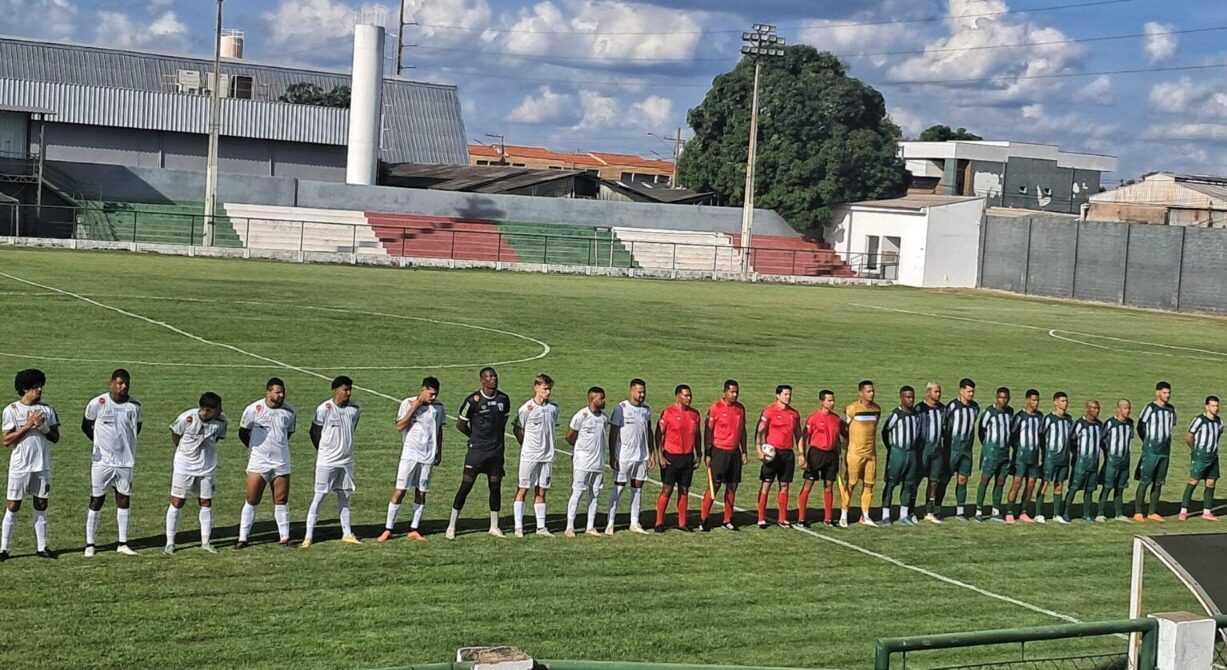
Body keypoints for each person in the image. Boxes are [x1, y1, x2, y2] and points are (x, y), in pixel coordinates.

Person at [83, 369, 143, 557]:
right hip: (102, 462)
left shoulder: (134, 406)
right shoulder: (97, 403)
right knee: (97, 499)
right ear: (111, 383)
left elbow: (136, 428)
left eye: (126, 383)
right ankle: (90, 544)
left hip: (125, 461)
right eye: (119, 383)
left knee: (124, 498)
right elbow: (86, 425)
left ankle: (122, 543)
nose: (123, 386)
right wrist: (99, 444)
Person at [1, 369, 60, 560]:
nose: (40, 390)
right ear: (25, 389)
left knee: (41, 503)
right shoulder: (11, 410)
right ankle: (3, 548)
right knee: (14, 505)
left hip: (41, 465)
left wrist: (42, 427)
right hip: (20, 466)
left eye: (41, 386)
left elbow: (55, 437)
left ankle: (42, 546)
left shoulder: (47, 410)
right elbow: (7, 440)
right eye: (36, 387)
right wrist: (27, 426)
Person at [447, 367, 511, 540]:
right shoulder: (472, 401)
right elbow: (461, 424)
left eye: (495, 376)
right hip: (477, 452)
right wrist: (474, 437)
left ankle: (494, 526)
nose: (493, 379)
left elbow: (503, 420)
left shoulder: (503, 399)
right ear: (482, 380)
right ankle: (452, 526)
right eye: (489, 377)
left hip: (496, 452)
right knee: (466, 485)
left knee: (495, 486)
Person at [379, 377, 445, 542]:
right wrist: (414, 408)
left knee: (421, 492)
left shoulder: (438, 407)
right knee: (400, 490)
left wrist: (439, 451)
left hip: (428, 456)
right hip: (410, 455)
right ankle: (388, 529)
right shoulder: (407, 403)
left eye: (436, 394)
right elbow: (400, 426)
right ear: (422, 389)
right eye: (430, 394)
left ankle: (414, 528)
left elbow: (439, 430)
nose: (433, 397)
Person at [236, 377, 296, 549]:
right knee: (252, 499)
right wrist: (255, 448)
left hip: (281, 462)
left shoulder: (290, 412)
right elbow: (243, 432)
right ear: (268, 392)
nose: (281, 395)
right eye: (277, 392)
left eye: (283, 392)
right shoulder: (253, 409)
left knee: (281, 499)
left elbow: (288, 433)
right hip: (258, 462)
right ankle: (243, 537)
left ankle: (284, 537)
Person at [303, 376, 361, 548]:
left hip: (346, 461)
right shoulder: (324, 409)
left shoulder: (355, 409)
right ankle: (308, 536)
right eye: (345, 389)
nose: (348, 393)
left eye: (350, 389)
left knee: (344, 496)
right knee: (319, 496)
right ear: (335, 390)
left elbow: (352, 429)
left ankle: (347, 533)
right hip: (327, 461)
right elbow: (314, 432)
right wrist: (323, 451)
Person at [164, 392, 226, 554]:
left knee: (206, 502)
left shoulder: (221, 421)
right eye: (217, 409)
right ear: (206, 410)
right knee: (177, 501)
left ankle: (205, 541)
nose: (221, 411)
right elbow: (176, 436)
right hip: (184, 467)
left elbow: (216, 439)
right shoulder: (187, 418)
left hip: (207, 468)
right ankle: (170, 543)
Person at [513, 374, 559, 537]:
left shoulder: (554, 408)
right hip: (530, 456)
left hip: (547, 456)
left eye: (549, 389)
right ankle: (518, 526)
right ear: (536, 388)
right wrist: (525, 445)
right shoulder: (526, 408)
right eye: (545, 388)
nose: (548, 392)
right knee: (523, 489)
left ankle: (541, 527)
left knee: (542, 491)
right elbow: (517, 428)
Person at [606, 379, 653, 535]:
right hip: (624, 456)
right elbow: (613, 434)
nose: (642, 395)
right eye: (639, 392)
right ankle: (610, 522)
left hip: (641, 456)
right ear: (631, 391)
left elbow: (649, 431)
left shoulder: (646, 410)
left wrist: (651, 453)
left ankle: (634, 521)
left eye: (643, 392)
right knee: (619, 487)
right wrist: (613, 455)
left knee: (637, 488)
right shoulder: (621, 408)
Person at [654, 384, 701, 532]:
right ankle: (659, 522)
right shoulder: (668, 413)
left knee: (684, 489)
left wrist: (698, 454)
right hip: (671, 457)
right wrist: (660, 455)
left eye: (690, 395)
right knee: (667, 489)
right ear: (678, 396)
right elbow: (658, 435)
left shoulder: (695, 414)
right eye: (686, 395)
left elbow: (697, 435)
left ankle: (682, 523)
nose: (689, 398)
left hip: (687, 457)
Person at [702, 380, 746, 532]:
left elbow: (742, 430)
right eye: (732, 392)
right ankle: (704, 518)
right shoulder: (716, 408)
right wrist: (708, 452)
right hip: (719, 451)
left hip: (734, 453)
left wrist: (744, 450)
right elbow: (708, 431)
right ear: (725, 392)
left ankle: (727, 519)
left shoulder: (740, 409)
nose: (735, 395)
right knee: (715, 485)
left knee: (732, 486)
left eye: (737, 392)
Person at [756, 385, 802, 529]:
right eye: (785, 394)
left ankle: (782, 519)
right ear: (777, 395)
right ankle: (761, 518)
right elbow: (760, 431)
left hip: (787, 454)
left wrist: (801, 453)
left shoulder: (794, 414)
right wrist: (759, 448)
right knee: (766, 484)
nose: (788, 397)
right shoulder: (769, 411)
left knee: (784, 485)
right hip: (772, 454)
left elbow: (799, 434)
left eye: (789, 394)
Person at [565, 387, 609, 537]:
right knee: (577, 492)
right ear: (592, 399)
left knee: (595, 493)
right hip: (582, 463)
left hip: (598, 463)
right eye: (601, 398)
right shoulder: (581, 416)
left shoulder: (604, 418)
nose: (604, 401)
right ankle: (569, 526)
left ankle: (590, 526)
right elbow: (570, 436)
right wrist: (580, 452)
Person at [841, 380, 881, 528]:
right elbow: (845, 428)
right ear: (861, 393)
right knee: (851, 483)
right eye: (868, 391)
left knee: (869, 484)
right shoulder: (852, 408)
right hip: (855, 454)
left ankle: (865, 515)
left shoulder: (877, 409)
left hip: (871, 454)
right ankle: (843, 514)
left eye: (872, 391)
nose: (872, 393)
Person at [1135, 382, 1176, 522]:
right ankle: (1138, 511)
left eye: (1169, 393)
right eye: (1164, 392)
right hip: (1151, 450)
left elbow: (1171, 427)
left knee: (1159, 482)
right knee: (1145, 481)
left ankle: (1152, 511)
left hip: (1165, 451)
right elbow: (1140, 426)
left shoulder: (1171, 409)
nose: (1167, 395)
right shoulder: (1150, 408)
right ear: (1157, 393)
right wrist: (1147, 442)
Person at [799, 390, 841, 527]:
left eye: (833, 400)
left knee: (829, 485)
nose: (832, 403)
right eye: (829, 400)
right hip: (816, 454)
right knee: (808, 484)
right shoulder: (814, 418)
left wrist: (839, 454)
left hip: (831, 455)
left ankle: (828, 518)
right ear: (822, 401)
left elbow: (837, 438)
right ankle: (801, 518)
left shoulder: (836, 418)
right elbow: (804, 437)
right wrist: (803, 456)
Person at [880, 386, 921, 526]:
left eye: (912, 397)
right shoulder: (896, 414)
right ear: (901, 398)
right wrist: (891, 448)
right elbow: (885, 432)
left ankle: (903, 514)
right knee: (891, 483)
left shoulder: (916, 415)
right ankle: (885, 514)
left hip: (912, 453)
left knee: (909, 484)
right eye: (907, 397)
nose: (910, 400)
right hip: (898, 452)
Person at [1180, 396, 1222, 522]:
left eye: (1217, 406)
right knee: (1193, 481)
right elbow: (1189, 436)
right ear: (1207, 406)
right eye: (1213, 406)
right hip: (1200, 456)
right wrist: (1195, 449)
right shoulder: (1199, 420)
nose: (1215, 408)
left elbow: (1217, 436)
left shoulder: (1219, 422)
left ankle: (1207, 511)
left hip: (1213, 456)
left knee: (1211, 482)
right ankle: (1183, 511)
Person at [974, 387, 1013, 522]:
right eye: (1001, 397)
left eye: (1006, 397)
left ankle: (995, 510)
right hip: (991, 452)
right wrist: (987, 446)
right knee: (985, 479)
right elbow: (981, 430)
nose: (1003, 400)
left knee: (1001, 481)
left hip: (1004, 453)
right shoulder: (989, 412)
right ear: (996, 397)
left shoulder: (1010, 412)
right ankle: (978, 509)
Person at [1035, 392, 1074, 524]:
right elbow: (1041, 435)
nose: (1065, 404)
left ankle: (1056, 514)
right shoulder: (1048, 419)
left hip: (1064, 458)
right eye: (1062, 401)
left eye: (1066, 401)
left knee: (1060, 485)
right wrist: (1046, 452)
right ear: (1055, 402)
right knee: (1045, 483)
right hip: (1051, 457)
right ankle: (1038, 513)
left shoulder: (1069, 420)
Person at [944, 378, 980, 521]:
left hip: (966, 450)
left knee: (963, 479)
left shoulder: (975, 407)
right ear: (961, 391)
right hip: (953, 448)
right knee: (945, 478)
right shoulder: (952, 406)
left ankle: (960, 510)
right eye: (969, 391)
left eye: (972, 391)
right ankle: (937, 508)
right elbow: (944, 424)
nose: (971, 394)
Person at [1005, 389, 1043, 523]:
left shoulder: (1040, 417)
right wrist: (1017, 449)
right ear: (1027, 400)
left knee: (1031, 484)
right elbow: (1012, 434)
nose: (1036, 403)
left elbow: (1041, 435)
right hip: (1021, 457)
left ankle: (1023, 511)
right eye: (1033, 400)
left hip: (1034, 456)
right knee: (1017, 483)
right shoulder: (1020, 416)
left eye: (1037, 400)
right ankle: (1009, 511)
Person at [1063, 400, 1104, 523]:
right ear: (1087, 409)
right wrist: (1077, 455)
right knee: (1074, 487)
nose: (1096, 411)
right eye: (1093, 408)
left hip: (1094, 462)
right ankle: (1065, 512)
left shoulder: (1099, 425)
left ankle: (1086, 514)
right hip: (1080, 462)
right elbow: (1072, 441)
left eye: (1097, 408)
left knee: (1090, 489)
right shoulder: (1080, 424)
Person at [915, 382, 946, 524]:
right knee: (916, 480)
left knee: (934, 482)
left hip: (937, 449)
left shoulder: (942, 409)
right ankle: (909, 510)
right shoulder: (919, 409)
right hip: (923, 449)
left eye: (939, 392)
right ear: (928, 393)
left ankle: (929, 510)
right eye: (935, 392)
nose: (938, 394)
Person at [1098, 399, 1133, 523]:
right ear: (1118, 409)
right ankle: (1100, 513)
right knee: (1107, 487)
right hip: (1112, 460)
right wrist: (1108, 453)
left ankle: (1119, 513)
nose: (1127, 411)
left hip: (1125, 460)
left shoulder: (1130, 423)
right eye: (1124, 408)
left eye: (1128, 408)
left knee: (1120, 487)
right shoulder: (1110, 423)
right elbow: (1102, 439)